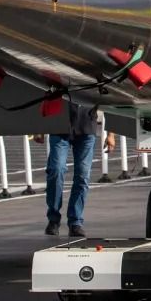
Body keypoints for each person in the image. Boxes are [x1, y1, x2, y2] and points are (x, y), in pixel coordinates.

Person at [45, 96, 100, 237]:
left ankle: (75, 221)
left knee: (83, 175)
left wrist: (110, 134)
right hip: (59, 124)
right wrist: (39, 127)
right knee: (56, 169)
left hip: (87, 125)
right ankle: (53, 218)